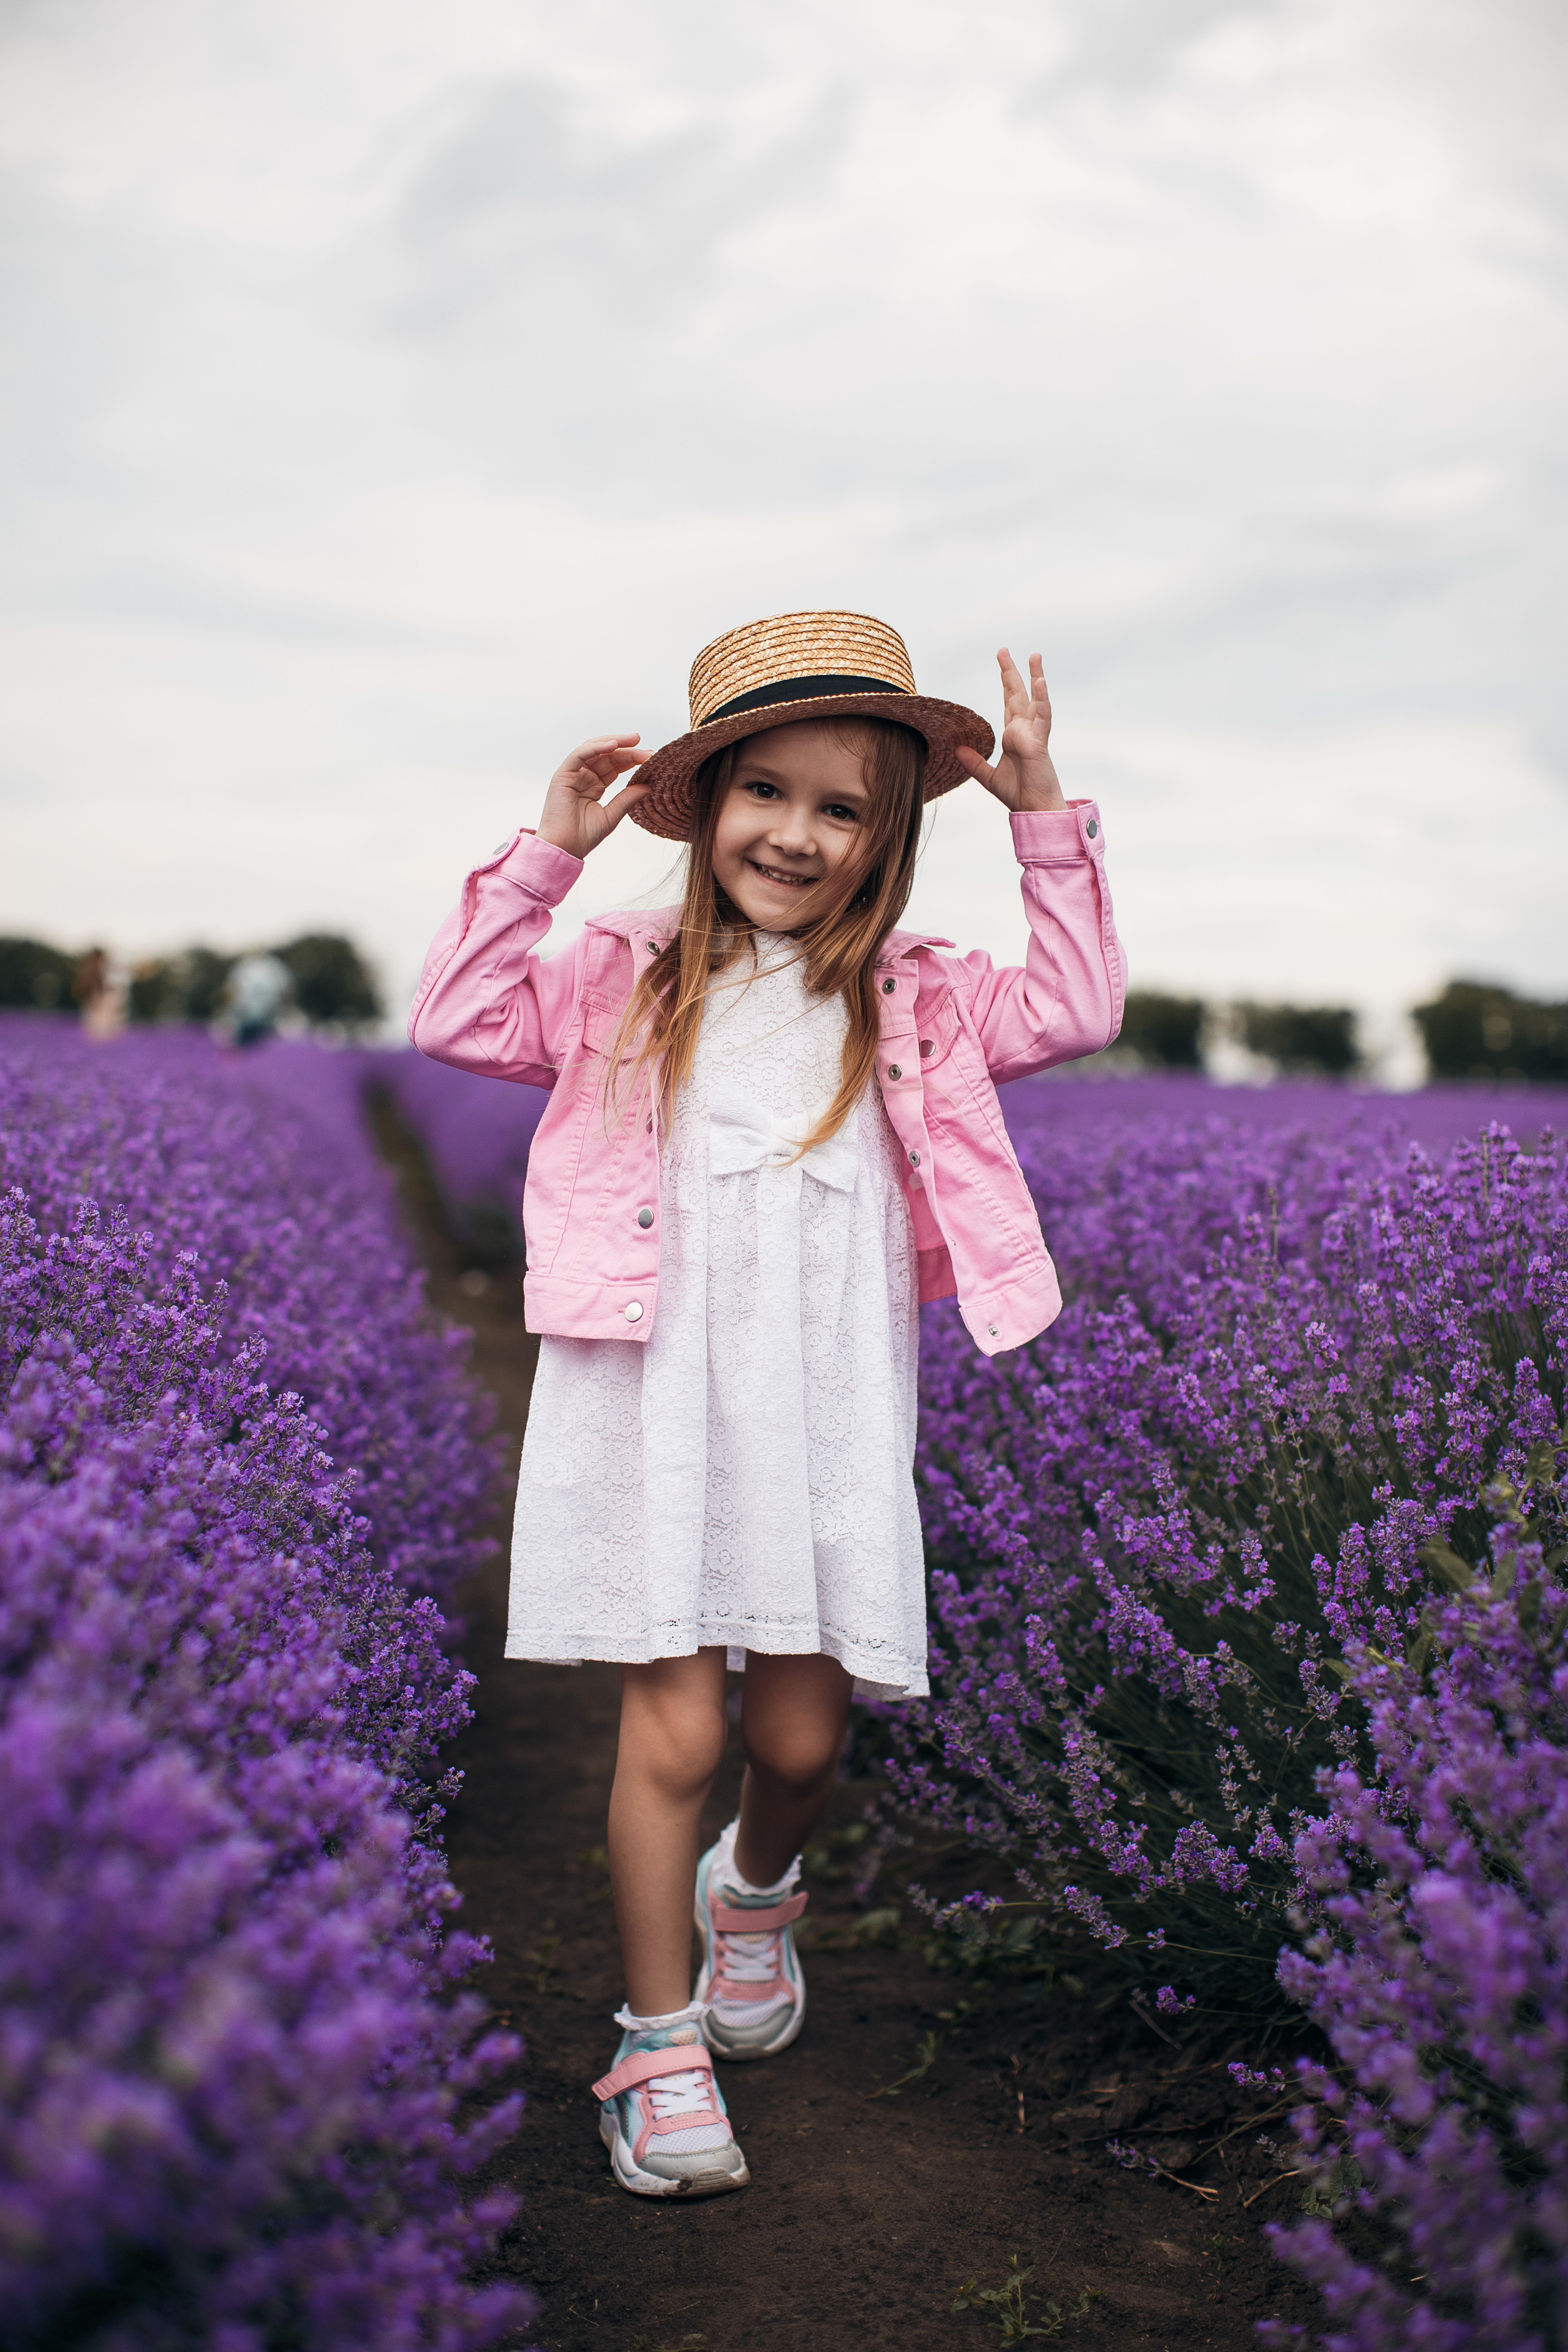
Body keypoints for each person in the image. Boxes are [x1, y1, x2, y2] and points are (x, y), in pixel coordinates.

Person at [410, 609, 1125, 2200]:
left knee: (801, 1741)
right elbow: (453, 1016)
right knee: (672, 1729)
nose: (796, 835)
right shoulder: (621, 978)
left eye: (842, 807)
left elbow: (1076, 1011)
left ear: (886, 842)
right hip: (654, 1398)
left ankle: (757, 1895)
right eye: (766, 793)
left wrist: (1046, 827)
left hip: (823, 1415)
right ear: (707, 801)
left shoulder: (918, 1001)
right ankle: (654, 2043)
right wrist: (547, 853)